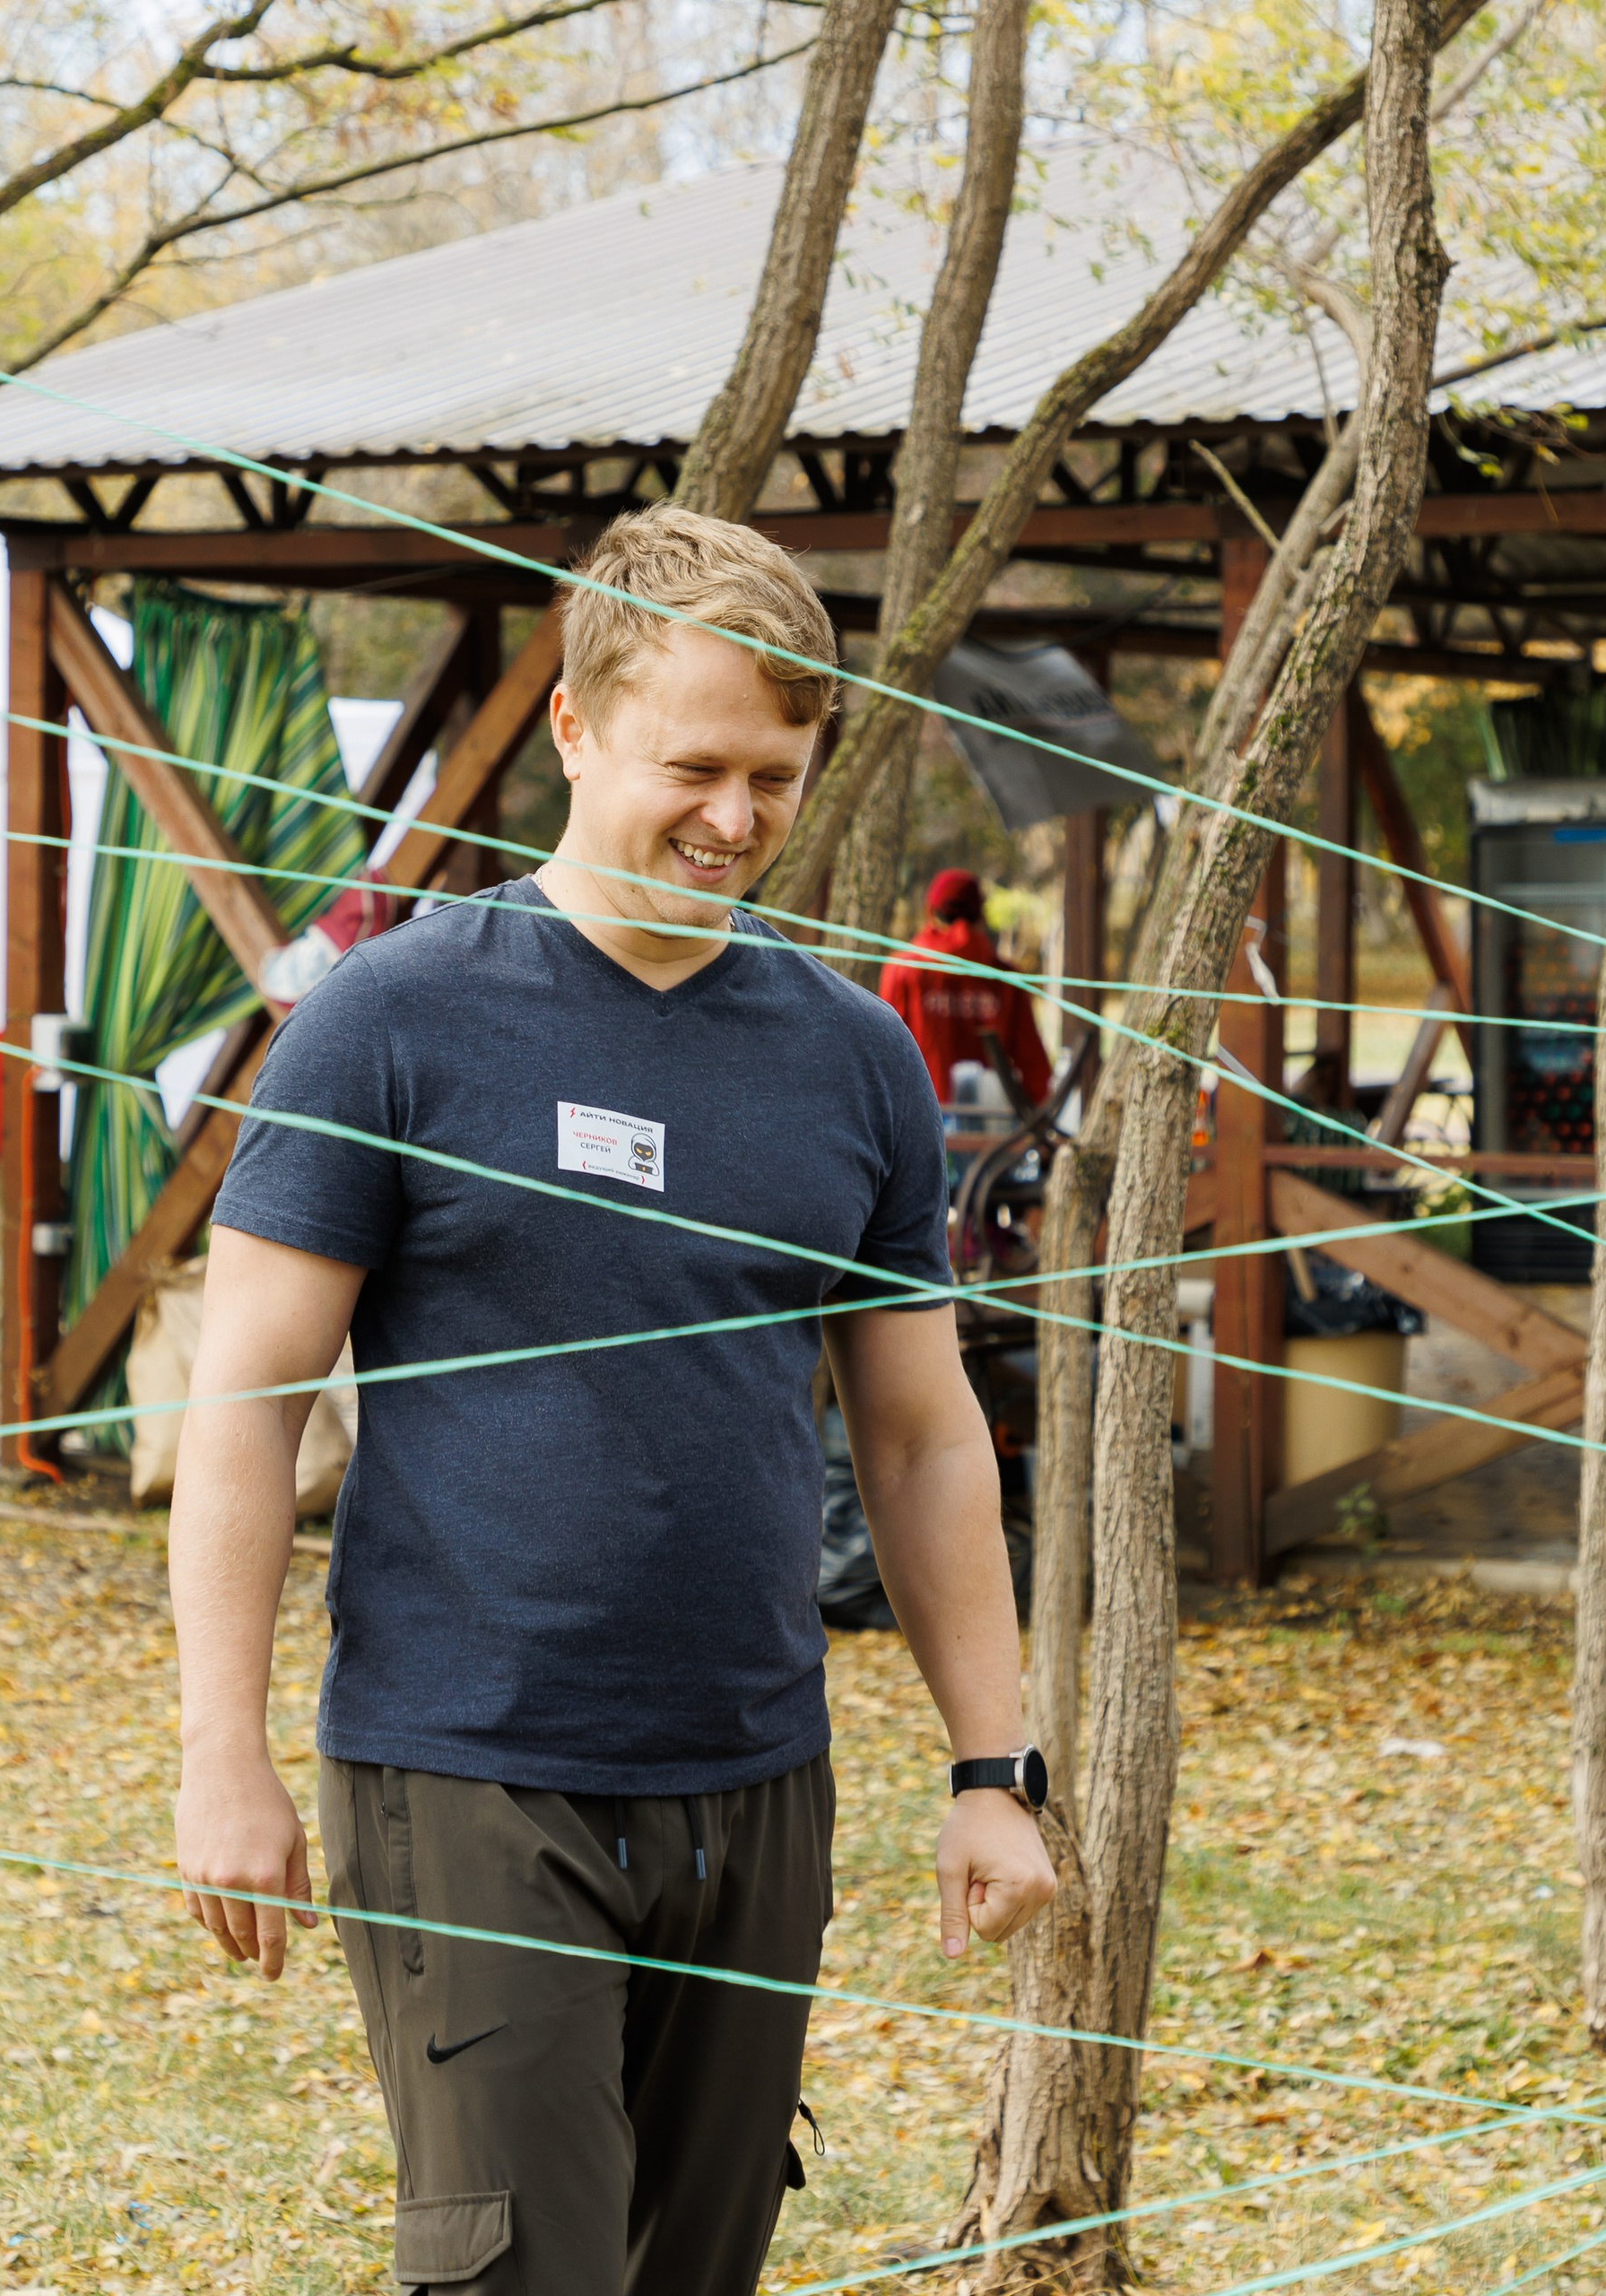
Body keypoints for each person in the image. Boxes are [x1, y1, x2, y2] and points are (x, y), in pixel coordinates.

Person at [169, 503, 1055, 2296]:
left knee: (691, 2269)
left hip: (752, 1773)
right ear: (576, 728)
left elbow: (915, 1427)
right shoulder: (391, 1021)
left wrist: (990, 1762)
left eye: (775, 775)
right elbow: (247, 1396)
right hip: (468, 1767)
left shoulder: (853, 1056)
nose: (733, 818)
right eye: (694, 764)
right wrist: (219, 1747)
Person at [877, 865, 1055, 1108]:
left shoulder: (902, 969)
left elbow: (883, 1054)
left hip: (918, 1121)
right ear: (980, 916)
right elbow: (1034, 1068)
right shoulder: (1006, 977)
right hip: (990, 1126)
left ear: (930, 911)